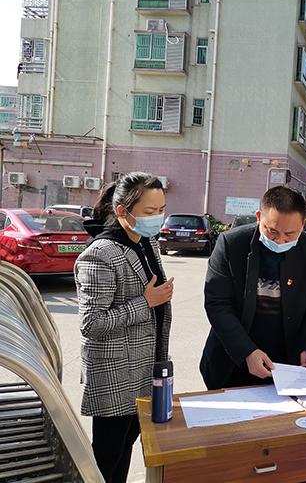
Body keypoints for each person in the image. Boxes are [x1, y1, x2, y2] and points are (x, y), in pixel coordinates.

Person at [75, 173, 173, 483]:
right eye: (149, 211)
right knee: (107, 456)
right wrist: (146, 302)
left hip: (143, 368)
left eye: (161, 209)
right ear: (122, 211)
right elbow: (91, 323)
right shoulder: (100, 254)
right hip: (114, 373)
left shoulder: (146, 242)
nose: (157, 218)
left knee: (126, 446)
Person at [200, 186, 306, 389]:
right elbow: (217, 304)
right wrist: (246, 351)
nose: (280, 240)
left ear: (303, 225)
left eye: (289, 234)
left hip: (286, 364)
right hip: (233, 361)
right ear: (259, 217)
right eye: (272, 231)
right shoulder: (232, 244)